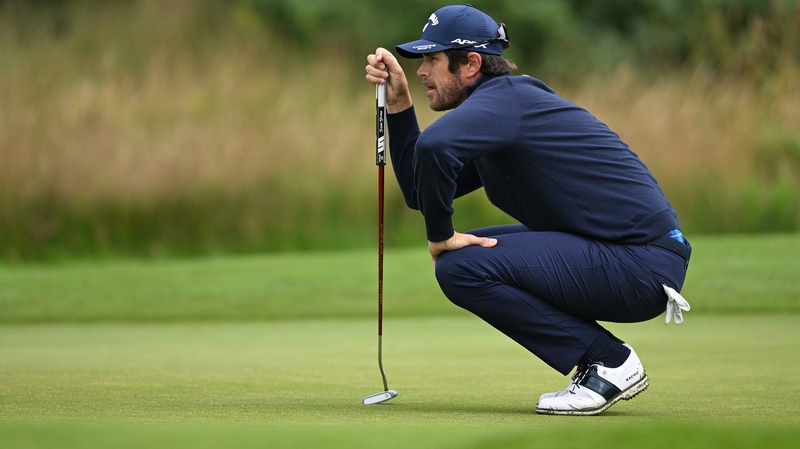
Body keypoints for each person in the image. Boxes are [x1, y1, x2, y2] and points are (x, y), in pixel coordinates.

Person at [364, 4, 692, 415]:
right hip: (627, 256)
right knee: (461, 262)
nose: (421, 71)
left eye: (432, 59)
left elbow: (434, 148)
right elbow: (418, 187)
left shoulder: (506, 101)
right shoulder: (497, 116)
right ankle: (606, 359)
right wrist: (399, 106)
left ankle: (609, 361)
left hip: (641, 263)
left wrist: (440, 237)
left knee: (459, 265)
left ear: (471, 65)